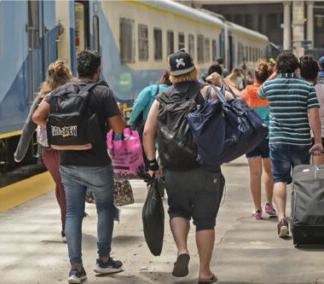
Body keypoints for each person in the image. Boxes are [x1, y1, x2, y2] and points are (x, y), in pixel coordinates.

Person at [32, 50, 126, 284]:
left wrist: (61, 131)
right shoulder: (103, 92)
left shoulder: (60, 91)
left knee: (73, 213)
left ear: (78, 70)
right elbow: (119, 128)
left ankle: (76, 269)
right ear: (97, 71)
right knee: (104, 209)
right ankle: (104, 261)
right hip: (97, 164)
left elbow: (37, 117)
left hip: (69, 164)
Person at [143, 49, 225, 284]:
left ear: (170, 74)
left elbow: (148, 132)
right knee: (205, 221)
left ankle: (182, 251)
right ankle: (205, 272)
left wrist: (152, 164)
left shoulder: (162, 98)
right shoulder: (207, 90)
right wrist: (220, 83)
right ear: (194, 70)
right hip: (205, 167)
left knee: (178, 211)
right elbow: (237, 101)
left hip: (173, 168)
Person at [258, 52, 323, 238]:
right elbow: (314, 116)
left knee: (279, 179)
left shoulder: (270, 85)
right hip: (301, 141)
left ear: (277, 68)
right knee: (300, 181)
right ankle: (298, 217)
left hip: (277, 140)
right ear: (297, 69)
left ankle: (281, 218)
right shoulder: (306, 88)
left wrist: (274, 73)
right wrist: (317, 141)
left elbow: (260, 91)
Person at [14, 60, 72, 243]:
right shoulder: (73, 94)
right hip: (70, 147)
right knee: (65, 186)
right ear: (68, 76)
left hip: (48, 150)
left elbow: (29, 125)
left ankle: (67, 221)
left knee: (60, 184)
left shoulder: (42, 97)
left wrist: (19, 153)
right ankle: (67, 227)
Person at [241, 62, 276, 220]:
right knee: (269, 171)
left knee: (255, 173)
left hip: (252, 137)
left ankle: (257, 209)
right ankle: (269, 203)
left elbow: (235, 96)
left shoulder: (248, 91)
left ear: (254, 76)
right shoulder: (271, 91)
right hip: (268, 136)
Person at [300, 55, 324, 165]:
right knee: (319, 171)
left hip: (302, 135)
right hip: (321, 134)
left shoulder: (298, 89)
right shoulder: (322, 89)